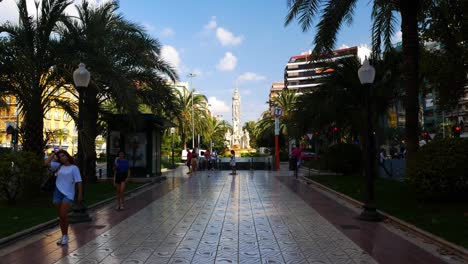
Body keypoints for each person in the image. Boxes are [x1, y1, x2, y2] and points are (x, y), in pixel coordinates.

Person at [44, 150, 82, 246]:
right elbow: (46, 163)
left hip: (68, 194)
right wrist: (53, 154)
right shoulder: (59, 166)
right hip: (57, 192)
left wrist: (80, 194)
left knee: (63, 214)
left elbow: (79, 182)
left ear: (67, 156)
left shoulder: (74, 168)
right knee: (61, 216)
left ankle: (65, 236)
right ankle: (63, 235)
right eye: (60, 156)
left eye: (63, 155)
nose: (62, 157)